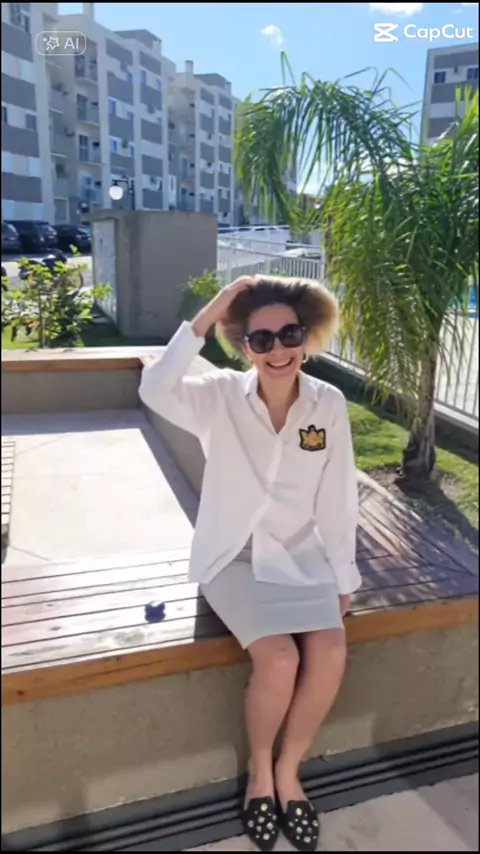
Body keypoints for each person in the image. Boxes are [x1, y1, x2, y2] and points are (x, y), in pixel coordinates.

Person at [139, 275, 361, 852]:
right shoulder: (217, 397)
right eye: (261, 340)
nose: (278, 349)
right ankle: (260, 772)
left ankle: (290, 772)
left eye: (289, 334)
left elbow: (337, 496)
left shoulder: (327, 404)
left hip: (301, 556)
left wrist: (343, 576)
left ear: (307, 335)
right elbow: (156, 387)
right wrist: (213, 310)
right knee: (280, 658)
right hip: (232, 556)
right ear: (243, 347)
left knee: (330, 653)